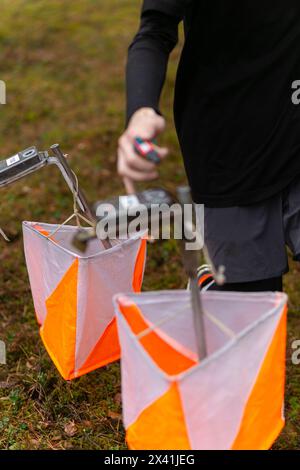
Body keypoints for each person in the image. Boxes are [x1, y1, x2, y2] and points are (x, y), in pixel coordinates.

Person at [117, 0, 300, 292]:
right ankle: (216, 289)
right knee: (250, 308)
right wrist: (140, 113)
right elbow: (154, 31)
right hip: (228, 151)